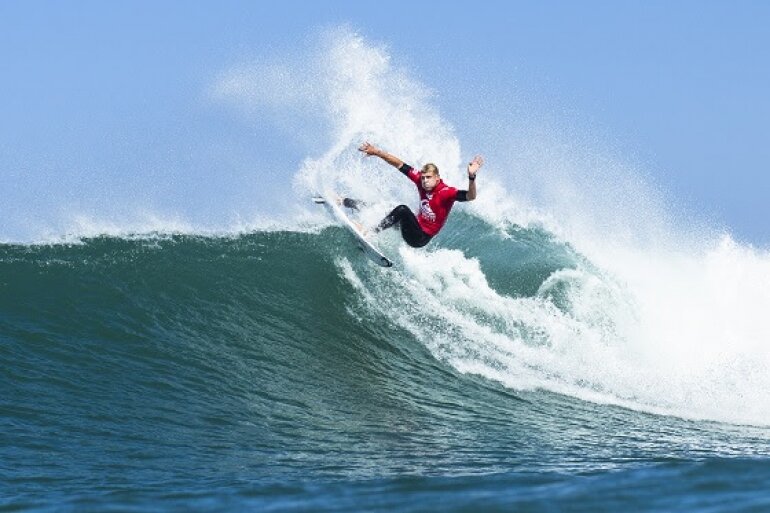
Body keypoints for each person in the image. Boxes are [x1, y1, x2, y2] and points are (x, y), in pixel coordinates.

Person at [354, 142, 484, 248]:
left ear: (437, 178)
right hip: (413, 226)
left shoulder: (446, 192)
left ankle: (369, 233)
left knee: (402, 210)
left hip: (420, 238)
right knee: (384, 208)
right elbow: (399, 164)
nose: (425, 181)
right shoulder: (420, 181)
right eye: (423, 178)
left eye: (428, 178)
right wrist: (377, 152)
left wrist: (471, 177)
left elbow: (470, 196)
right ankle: (343, 201)